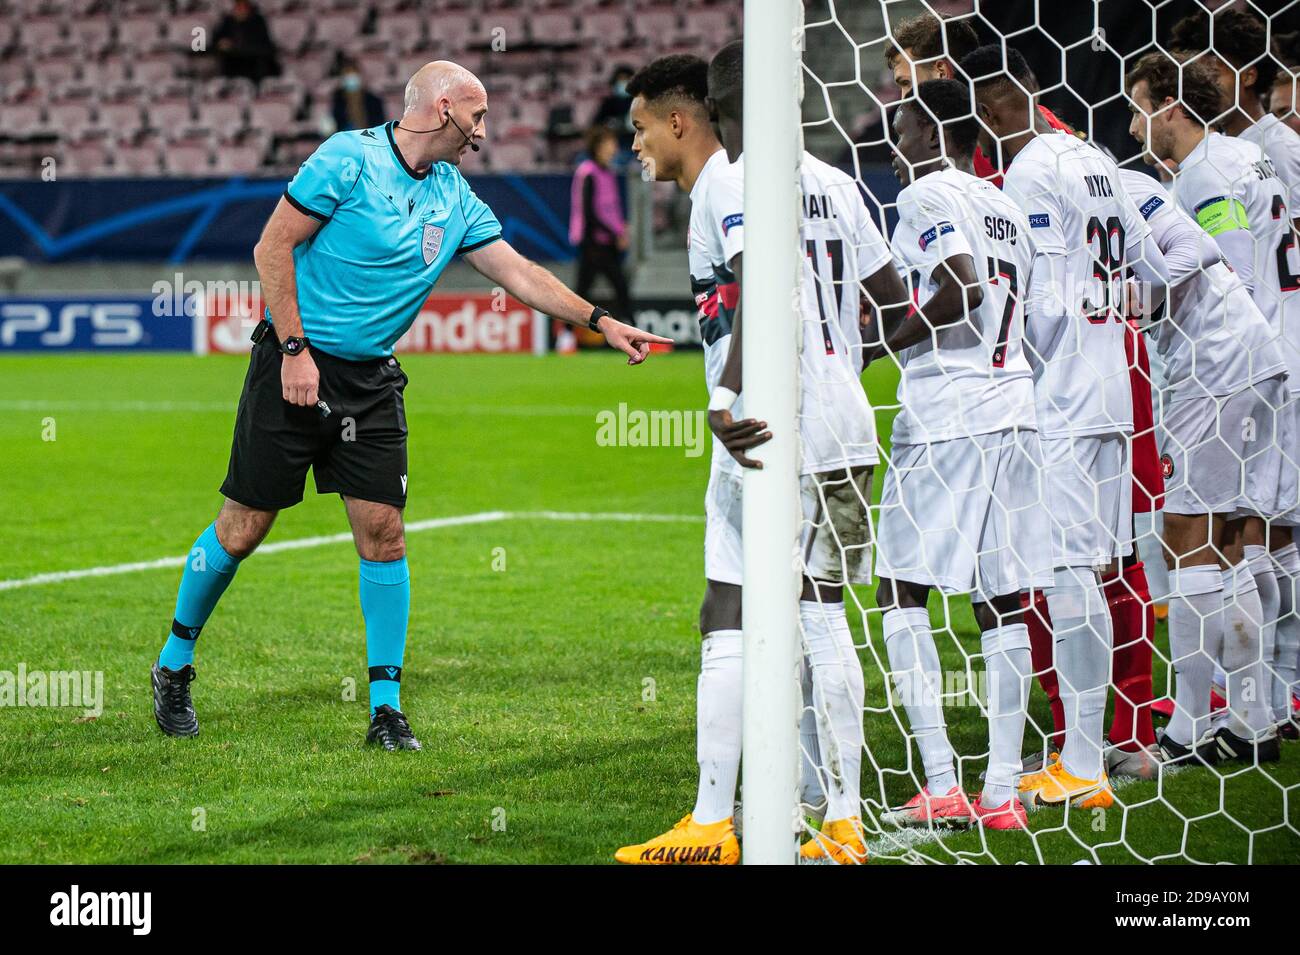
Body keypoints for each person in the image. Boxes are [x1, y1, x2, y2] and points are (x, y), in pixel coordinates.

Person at [150, 60, 670, 750]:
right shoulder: (347, 159)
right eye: (478, 118)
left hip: (370, 381)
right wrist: (296, 349)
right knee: (244, 526)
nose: (482, 134)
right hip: (294, 364)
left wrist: (599, 319)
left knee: (384, 532)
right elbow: (272, 244)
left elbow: (519, 272)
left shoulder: (455, 198)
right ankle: (175, 663)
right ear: (445, 107)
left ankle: (386, 710)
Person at [613, 47, 909, 865]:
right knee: (819, 613)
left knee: (728, 608)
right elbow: (898, 308)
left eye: (641, 128)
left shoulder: (729, 182)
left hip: (765, 424)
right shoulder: (837, 182)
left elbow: (761, 288)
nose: (637, 146)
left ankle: (713, 822)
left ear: (685, 118)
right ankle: (841, 817)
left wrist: (724, 395)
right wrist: (837, 363)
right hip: (841, 423)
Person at [964, 43, 1171, 809]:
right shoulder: (1093, 157)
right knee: (1104, 566)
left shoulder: (1026, 173)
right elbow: (1149, 268)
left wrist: (1015, 361)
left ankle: (1082, 760)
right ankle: (1106, 746)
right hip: (1117, 382)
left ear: (992, 105)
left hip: (1065, 402)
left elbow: (1041, 303)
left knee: (1068, 572)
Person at [872, 79, 1049, 832]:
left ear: (932, 129)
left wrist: (880, 340)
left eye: (905, 124)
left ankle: (942, 781)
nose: (895, 139)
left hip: (950, 414)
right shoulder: (1004, 203)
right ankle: (1003, 792)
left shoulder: (926, 196)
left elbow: (960, 290)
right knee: (1000, 597)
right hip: (1016, 407)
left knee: (899, 589)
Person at [1127, 50, 1288, 763]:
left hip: (1224, 363)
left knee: (1188, 532)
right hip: (1263, 359)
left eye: (1139, 109)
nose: (1135, 128)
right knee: (1241, 535)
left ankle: (1196, 725)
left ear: (1169, 107)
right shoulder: (1240, 156)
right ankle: (1261, 712)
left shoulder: (1205, 175)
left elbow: (1229, 264)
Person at [1170, 7, 1300, 737]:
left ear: (1242, 71)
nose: (1199, 79)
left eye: (1207, 64)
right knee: (1263, 525)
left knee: (1252, 529)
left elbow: (1246, 263)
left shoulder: (1247, 153)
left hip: (1259, 350)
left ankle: (1264, 700)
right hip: (1276, 348)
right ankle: (1266, 699)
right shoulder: (1256, 147)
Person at [569, 125, 632, 327]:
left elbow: (610, 209)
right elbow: (589, 213)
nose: (614, 148)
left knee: (617, 288)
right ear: (598, 147)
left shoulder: (609, 173)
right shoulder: (588, 173)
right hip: (592, 243)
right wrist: (615, 233)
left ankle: (565, 335)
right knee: (585, 291)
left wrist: (621, 230)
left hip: (607, 242)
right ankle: (565, 335)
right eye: (609, 144)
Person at [213, 0, 280, 85]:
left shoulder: (258, 20)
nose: (240, 9)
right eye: (238, 6)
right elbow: (217, 39)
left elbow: (263, 43)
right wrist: (222, 42)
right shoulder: (228, 21)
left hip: (253, 65)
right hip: (232, 64)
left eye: (243, 6)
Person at [332, 57, 385, 133]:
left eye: (354, 74)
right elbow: (336, 125)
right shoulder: (338, 100)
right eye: (347, 74)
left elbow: (379, 125)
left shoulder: (374, 100)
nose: (351, 79)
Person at [592, 65, 636, 151]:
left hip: (636, 143)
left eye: (626, 79)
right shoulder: (609, 103)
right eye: (620, 80)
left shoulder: (638, 101)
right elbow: (596, 124)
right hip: (615, 145)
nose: (623, 83)